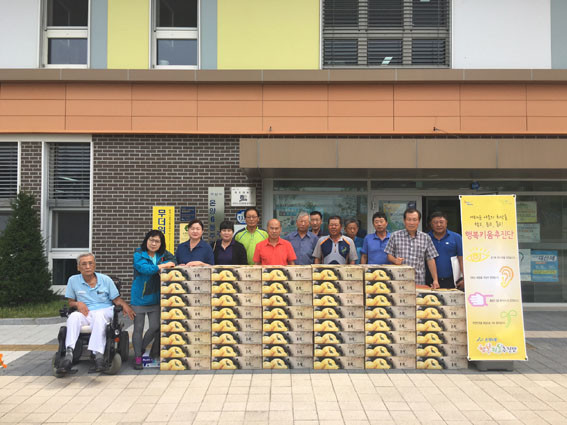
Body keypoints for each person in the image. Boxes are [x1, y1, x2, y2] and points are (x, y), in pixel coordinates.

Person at [60, 253, 134, 372]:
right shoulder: (73, 280)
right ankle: (69, 354)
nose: (87, 266)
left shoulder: (105, 280)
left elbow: (116, 299)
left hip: (104, 311)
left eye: (90, 263)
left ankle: (97, 354)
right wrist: (77, 304)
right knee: (73, 317)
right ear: (78, 267)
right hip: (86, 312)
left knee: (99, 316)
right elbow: (71, 302)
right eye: (84, 264)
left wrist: (126, 306)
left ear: (94, 265)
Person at [131, 230, 176, 370]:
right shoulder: (138, 254)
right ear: (146, 240)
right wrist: (162, 266)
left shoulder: (163, 254)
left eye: (157, 241)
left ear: (161, 243)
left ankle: (141, 347)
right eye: (151, 240)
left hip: (156, 297)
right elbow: (145, 269)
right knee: (138, 328)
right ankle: (137, 357)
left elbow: (174, 261)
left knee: (155, 327)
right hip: (140, 297)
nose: (154, 243)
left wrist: (166, 264)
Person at [384, 208, 440, 288]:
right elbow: (389, 255)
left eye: (414, 220)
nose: (411, 223)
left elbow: (430, 259)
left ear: (419, 221)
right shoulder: (395, 236)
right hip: (399, 280)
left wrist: (435, 280)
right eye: (409, 220)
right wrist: (395, 260)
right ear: (404, 221)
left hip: (418, 280)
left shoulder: (425, 237)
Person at [426, 211, 464, 290]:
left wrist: (464, 278)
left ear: (446, 223)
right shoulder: (426, 238)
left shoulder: (456, 237)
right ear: (431, 224)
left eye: (441, 222)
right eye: (435, 222)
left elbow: (461, 258)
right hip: (431, 280)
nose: (439, 225)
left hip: (452, 280)